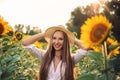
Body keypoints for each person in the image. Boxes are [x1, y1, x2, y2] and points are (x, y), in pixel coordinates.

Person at [22, 25, 88, 80]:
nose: (56, 42)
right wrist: (44, 34)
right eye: (54, 38)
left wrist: (72, 39)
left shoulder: (71, 59)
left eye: (60, 39)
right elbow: (25, 43)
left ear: (65, 41)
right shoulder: (44, 55)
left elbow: (86, 47)